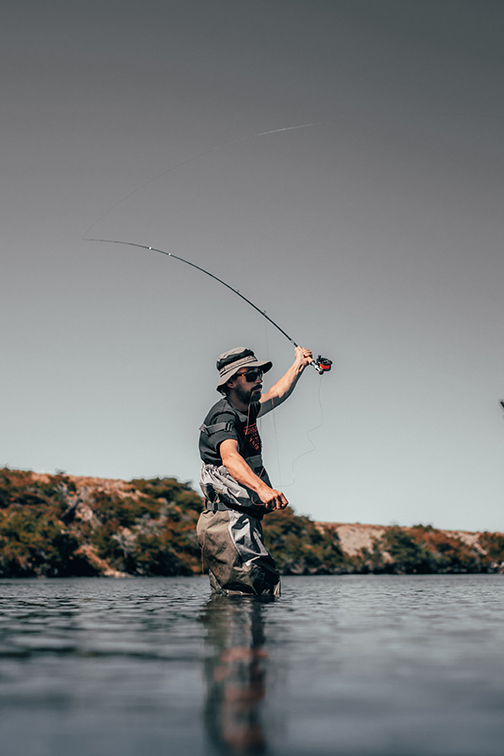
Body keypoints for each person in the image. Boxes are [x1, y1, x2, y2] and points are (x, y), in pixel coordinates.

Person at [197, 345, 313, 596]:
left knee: (242, 602)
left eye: (260, 374)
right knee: (254, 593)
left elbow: (277, 393)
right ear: (230, 382)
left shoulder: (247, 409)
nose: (258, 380)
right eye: (250, 376)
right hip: (228, 522)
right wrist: (263, 489)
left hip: (240, 521)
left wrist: (299, 364)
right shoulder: (223, 417)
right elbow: (230, 458)